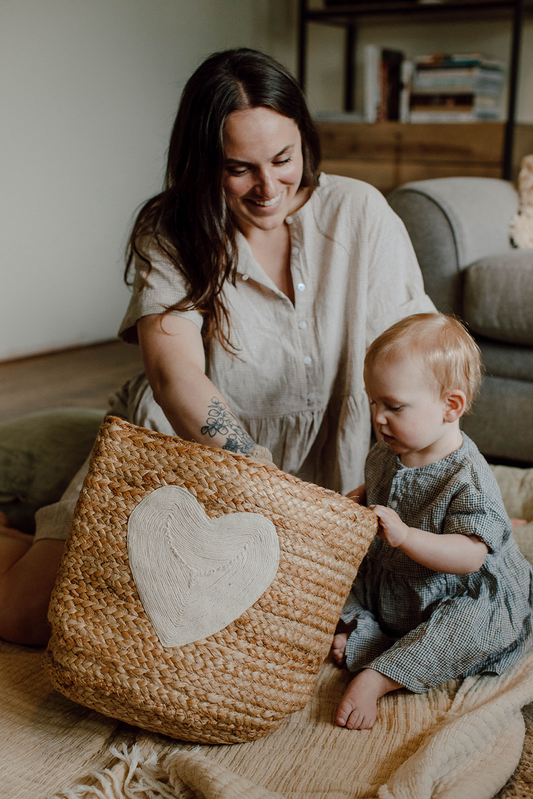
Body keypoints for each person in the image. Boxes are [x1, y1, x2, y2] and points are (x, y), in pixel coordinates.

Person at [0, 48, 434, 647]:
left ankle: (30, 537)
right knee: (30, 620)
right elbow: (174, 376)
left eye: (283, 159)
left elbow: (421, 364)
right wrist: (263, 488)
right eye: (239, 169)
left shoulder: (361, 212)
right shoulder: (171, 228)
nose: (267, 188)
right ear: (204, 164)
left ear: (304, 139)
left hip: (330, 468)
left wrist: (450, 485)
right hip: (188, 452)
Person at [332, 313, 533, 731]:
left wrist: (405, 536)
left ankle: (380, 677)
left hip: (457, 589)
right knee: (332, 576)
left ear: (451, 406)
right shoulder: (386, 451)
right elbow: (379, 486)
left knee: (467, 630)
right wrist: (360, 498)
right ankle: (362, 626)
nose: (379, 418)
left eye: (394, 406)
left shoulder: (467, 476)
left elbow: (470, 557)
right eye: (374, 402)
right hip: (394, 579)